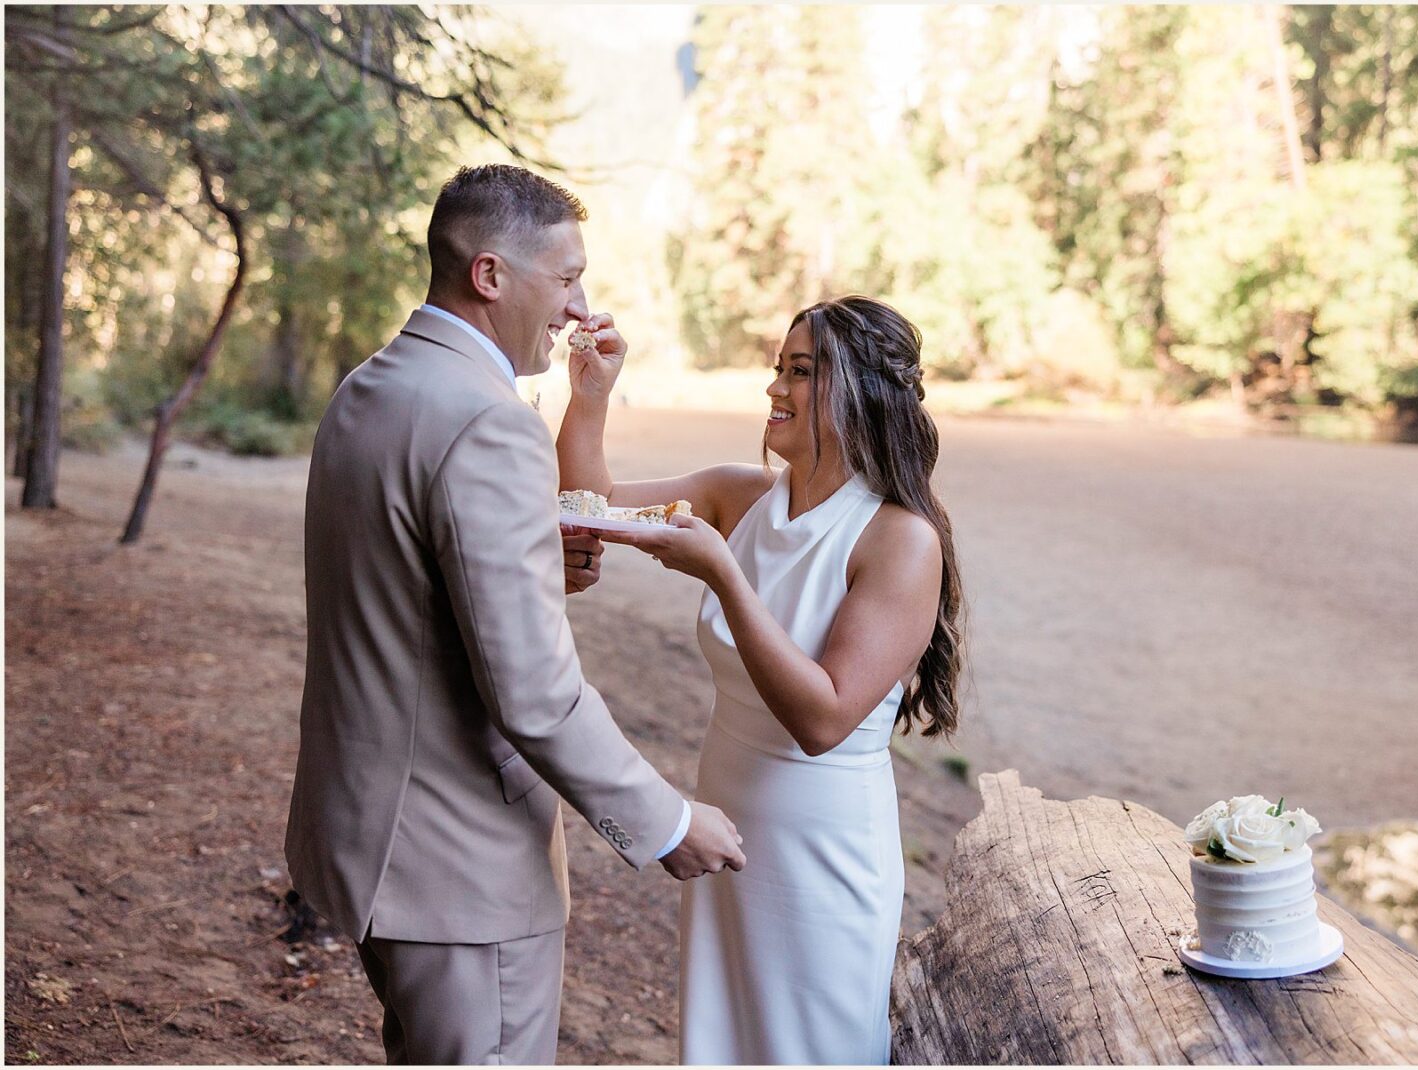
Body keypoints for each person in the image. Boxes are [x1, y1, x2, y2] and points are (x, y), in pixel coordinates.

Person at [284, 164, 744, 1066]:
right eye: (566, 278)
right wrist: (665, 821)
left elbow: (402, 591)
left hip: (367, 839)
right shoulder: (489, 424)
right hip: (457, 869)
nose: (580, 306)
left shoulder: (370, 388)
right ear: (490, 276)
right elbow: (532, 692)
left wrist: (538, 557)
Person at [556, 294, 965, 1064]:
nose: (775, 388)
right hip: (728, 826)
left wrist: (723, 574)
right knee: (724, 1043)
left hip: (823, 851)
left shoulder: (899, 540)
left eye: (802, 372)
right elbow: (588, 510)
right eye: (779, 368)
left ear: (863, 392)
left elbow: (824, 719)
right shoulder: (737, 494)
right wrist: (591, 395)